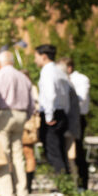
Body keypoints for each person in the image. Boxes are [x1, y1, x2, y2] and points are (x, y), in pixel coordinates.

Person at [0, 51, 35, 196]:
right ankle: (22, 193)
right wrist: (27, 116)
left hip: (4, 115)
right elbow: (32, 103)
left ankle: (6, 195)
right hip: (21, 115)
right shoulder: (23, 77)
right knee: (18, 155)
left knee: (3, 153)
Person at [35, 44, 70, 174]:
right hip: (61, 112)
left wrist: (49, 117)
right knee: (61, 149)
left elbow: (50, 95)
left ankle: (61, 181)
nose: (35, 60)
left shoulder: (47, 71)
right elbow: (66, 94)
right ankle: (66, 179)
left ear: (44, 56)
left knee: (53, 150)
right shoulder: (59, 71)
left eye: (36, 57)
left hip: (51, 114)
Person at [60, 57, 90, 190]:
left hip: (77, 118)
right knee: (64, 152)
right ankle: (69, 182)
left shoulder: (81, 79)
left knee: (78, 151)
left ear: (69, 68)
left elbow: (80, 99)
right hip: (65, 118)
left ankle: (83, 184)